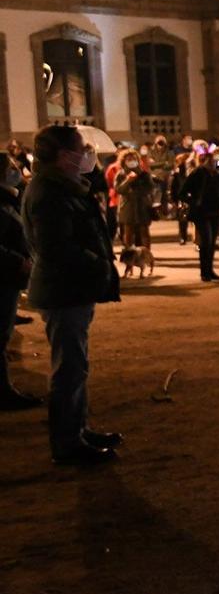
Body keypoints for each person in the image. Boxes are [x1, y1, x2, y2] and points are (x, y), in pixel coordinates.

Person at [22, 125, 121, 464]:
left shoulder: (61, 186)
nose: (86, 155)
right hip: (64, 290)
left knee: (75, 365)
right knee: (69, 368)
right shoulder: (50, 192)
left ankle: (78, 429)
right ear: (65, 156)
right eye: (81, 149)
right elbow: (57, 248)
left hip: (70, 288)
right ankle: (68, 443)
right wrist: (96, 264)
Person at [0, 153, 38, 408]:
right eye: (12, 168)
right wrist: (18, 261)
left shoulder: (8, 199)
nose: (17, 171)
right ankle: (4, 393)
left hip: (9, 278)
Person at [180, 149, 219, 283]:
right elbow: (182, 192)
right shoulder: (198, 173)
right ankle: (204, 272)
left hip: (216, 212)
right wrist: (194, 202)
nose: (214, 163)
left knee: (211, 243)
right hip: (201, 213)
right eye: (212, 160)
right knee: (206, 242)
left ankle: (210, 270)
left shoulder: (217, 175)